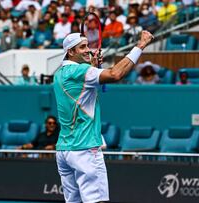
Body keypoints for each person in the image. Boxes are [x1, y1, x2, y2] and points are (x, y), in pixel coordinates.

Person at [53, 30, 153, 203]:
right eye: (82, 47)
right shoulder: (80, 72)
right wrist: (140, 45)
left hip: (64, 151)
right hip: (84, 149)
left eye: (87, 46)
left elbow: (84, 90)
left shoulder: (59, 74)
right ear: (70, 52)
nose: (87, 50)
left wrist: (92, 66)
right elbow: (115, 74)